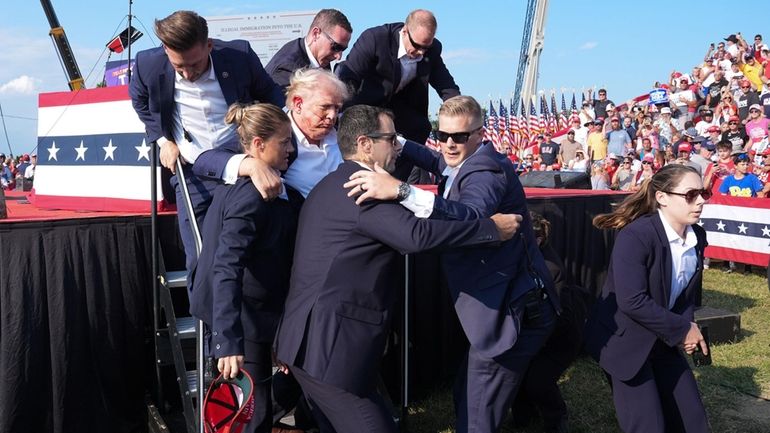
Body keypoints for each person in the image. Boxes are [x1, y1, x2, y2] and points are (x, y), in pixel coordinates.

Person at [273, 104, 522, 433]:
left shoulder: (331, 183)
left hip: (313, 343)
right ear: (365, 145)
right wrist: (490, 228)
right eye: (391, 139)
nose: (397, 146)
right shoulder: (364, 191)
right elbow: (417, 236)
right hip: (327, 350)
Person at [343, 95, 559, 433]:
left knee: (477, 411)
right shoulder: (460, 159)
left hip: (512, 312)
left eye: (459, 137)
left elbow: (472, 215)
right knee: (473, 393)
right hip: (503, 305)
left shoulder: (485, 171)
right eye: (442, 135)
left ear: (479, 135)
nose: (448, 144)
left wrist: (401, 191)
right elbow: (434, 158)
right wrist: (388, 137)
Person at [129, 10, 286, 274]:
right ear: (166, 50)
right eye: (179, 67)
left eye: (195, 64)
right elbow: (140, 102)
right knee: (201, 260)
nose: (188, 74)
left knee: (249, 252)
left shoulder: (240, 57)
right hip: (192, 173)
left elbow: (270, 94)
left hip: (242, 165)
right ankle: (206, 314)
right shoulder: (148, 65)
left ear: (209, 46)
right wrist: (162, 139)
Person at [189, 103, 296, 433]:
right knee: (252, 413)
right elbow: (226, 266)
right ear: (259, 145)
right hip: (243, 317)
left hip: (258, 314)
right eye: (285, 141)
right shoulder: (251, 195)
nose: (292, 149)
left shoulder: (259, 184)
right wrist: (229, 341)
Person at [585, 164, 711, 433]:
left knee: (694, 422)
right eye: (691, 194)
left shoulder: (697, 235)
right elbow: (632, 301)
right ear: (662, 198)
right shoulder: (637, 235)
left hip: (664, 340)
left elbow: (685, 295)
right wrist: (682, 329)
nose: (700, 201)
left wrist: (685, 329)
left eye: (704, 193)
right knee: (649, 425)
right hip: (624, 344)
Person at [335, 9, 460, 180]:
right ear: (405, 31)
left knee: (419, 130)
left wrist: (461, 116)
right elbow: (349, 78)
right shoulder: (374, 39)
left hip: (403, 113)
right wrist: (343, 115)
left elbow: (447, 86)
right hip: (367, 107)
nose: (421, 53)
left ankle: (394, 184)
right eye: (417, 46)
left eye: (426, 47)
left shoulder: (432, 50)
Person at [510, 212, 591, 433]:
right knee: (517, 376)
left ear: (539, 239)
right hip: (533, 331)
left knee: (538, 382)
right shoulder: (521, 257)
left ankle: (557, 417)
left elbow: (559, 316)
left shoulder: (549, 268)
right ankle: (524, 416)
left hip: (559, 336)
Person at [265, 9, 352, 88]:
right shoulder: (287, 69)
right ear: (316, 34)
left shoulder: (321, 60)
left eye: (343, 49)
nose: (338, 56)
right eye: (336, 47)